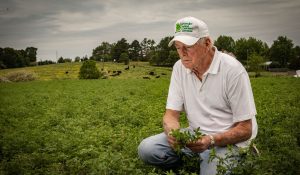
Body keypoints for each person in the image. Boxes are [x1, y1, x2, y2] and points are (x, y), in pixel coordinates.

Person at [138, 16, 258, 175]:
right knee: (147, 149)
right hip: (195, 135)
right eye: (178, 47)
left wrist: (211, 140)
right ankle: (201, 158)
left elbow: (246, 129)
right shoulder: (179, 68)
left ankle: (242, 155)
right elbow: (170, 116)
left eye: (188, 46)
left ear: (207, 43)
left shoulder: (232, 70)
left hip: (228, 142)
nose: (182, 53)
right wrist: (174, 134)